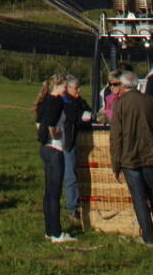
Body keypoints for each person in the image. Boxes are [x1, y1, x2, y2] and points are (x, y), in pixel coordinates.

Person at [109, 71, 153, 247]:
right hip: (150, 156)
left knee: (139, 199)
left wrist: (116, 165)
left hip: (130, 160)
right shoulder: (150, 101)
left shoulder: (120, 105)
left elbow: (116, 137)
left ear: (123, 86)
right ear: (137, 84)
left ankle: (148, 237)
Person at [36, 75, 77, 243]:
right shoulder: (57, 101)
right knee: (54, 193)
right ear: (58, 86)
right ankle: (56, 233)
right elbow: (52, 124)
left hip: (45, 148)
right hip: (55, 149)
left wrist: (43, 135)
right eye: (64, 86)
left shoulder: (43, 100)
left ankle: (49, 230)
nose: (66, 90)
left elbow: (39, 124)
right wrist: (56, 134)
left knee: (48, 193)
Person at [60, 74, 90, 222]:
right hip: (68, 141)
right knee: (71, 175)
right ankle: (72, 208)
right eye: (76, 88)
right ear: (68, 88)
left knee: (77, 173)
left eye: (79, 88)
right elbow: (73, 117)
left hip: (77, 140)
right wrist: (82, 117)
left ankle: (78, 204)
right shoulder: (65, 101)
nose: (78, 91)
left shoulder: (79, 101)